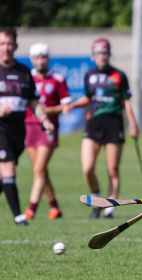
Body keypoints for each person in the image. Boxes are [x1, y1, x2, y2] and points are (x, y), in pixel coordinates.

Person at [63, 38, 138, 219]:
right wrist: (73, 105)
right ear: (93, 55)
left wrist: (133, 124)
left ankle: (110, 207)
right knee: (87, 168)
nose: (102, 56)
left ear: (109, 54)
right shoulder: (89, 74)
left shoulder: (119, 75)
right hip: (93, 124)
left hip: (113, 123)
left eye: (104, 53)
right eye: (98, 53)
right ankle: (96, 197)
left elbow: (126, 101)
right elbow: (88, 98)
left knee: (112, 169)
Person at [0, 27, 53, 225]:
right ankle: (18, 216)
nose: (6, 48)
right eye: (2, 44)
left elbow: (33, 101)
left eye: (9, 44)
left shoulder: (24, 72)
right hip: (0, 129)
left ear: (15, 46)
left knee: (3, 174)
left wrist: (45, 120)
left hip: (17, 130)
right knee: (7, 170)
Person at [24, 43, 71, 221]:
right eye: (37, 57)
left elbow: (65, 107)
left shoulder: (57, 78)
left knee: (39, 169)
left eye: (44, 57)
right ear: (32, 60)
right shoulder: (27, 78)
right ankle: (54, 207)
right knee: (40, 172)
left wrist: (45, 111)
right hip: (29, 127)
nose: (41, 61)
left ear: (48, 59)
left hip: (48, 128)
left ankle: (31, 208)